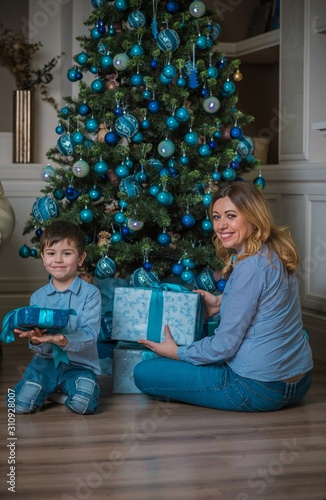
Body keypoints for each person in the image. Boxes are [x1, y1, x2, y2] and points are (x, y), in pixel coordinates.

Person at [134, 182, 313, 412]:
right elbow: (269, 305)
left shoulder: (250, 267)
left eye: (231, 216)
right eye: (217, 217)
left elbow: (223, 347)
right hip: (299, 383)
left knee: (144, 372)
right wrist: (220, 303)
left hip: (257, 389)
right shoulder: (275, 252)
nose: (221, 225)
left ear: (253, 217)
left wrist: (176, 352)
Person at [12, 221, 102, 414]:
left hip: (79, 366)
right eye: (51, 253)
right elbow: (37, 338)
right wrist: (36, 341)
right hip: (45, 363)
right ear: (43, 257)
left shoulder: (91, 294)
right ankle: (47, 388)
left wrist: (62, 340)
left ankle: (57, 393)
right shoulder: (38, 297)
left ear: (80, 258)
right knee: (19, 405)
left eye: (67, 253)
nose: (58, 260)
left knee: (83, 404)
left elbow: (90, 334)